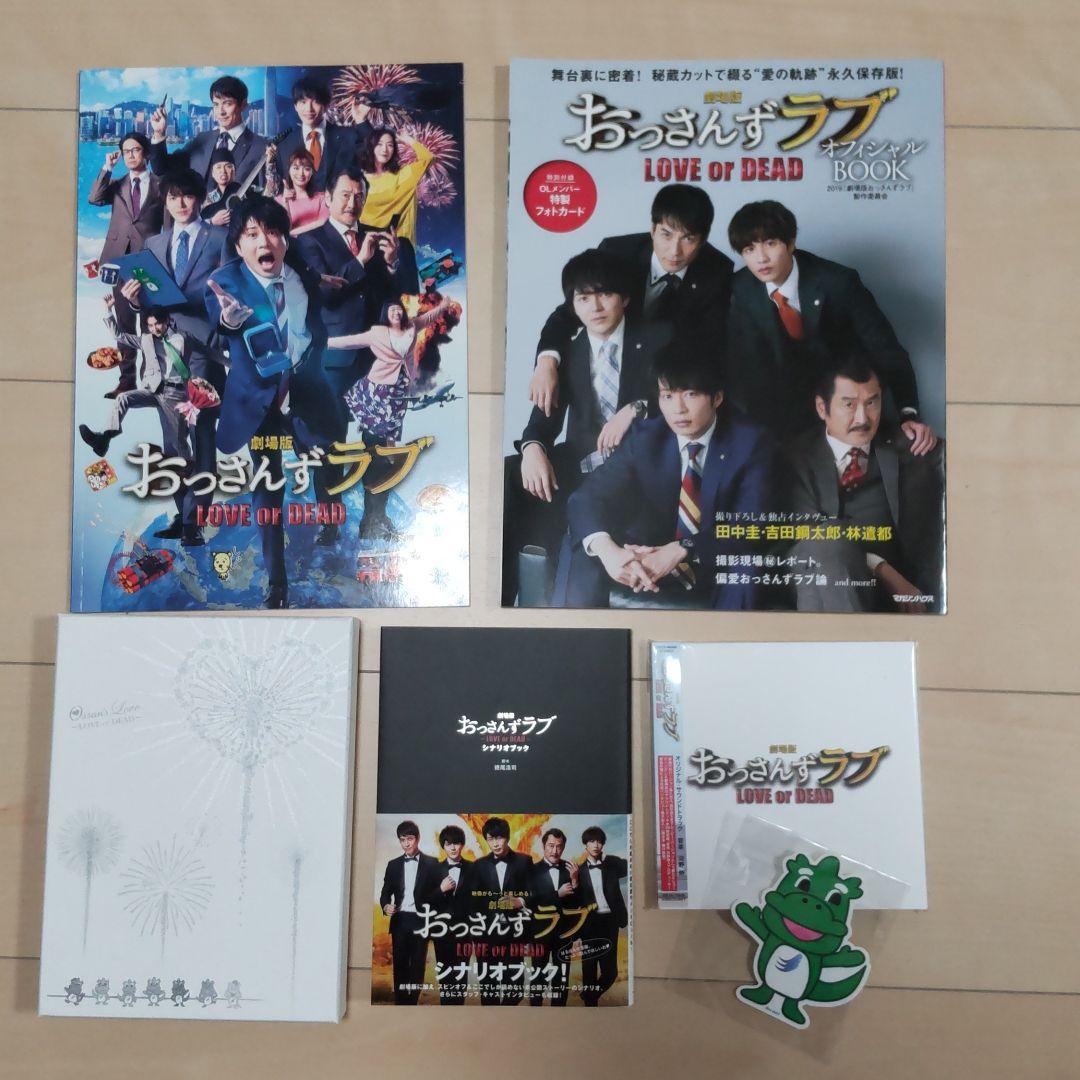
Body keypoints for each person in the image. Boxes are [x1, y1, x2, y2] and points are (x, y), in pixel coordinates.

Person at [503, 248, 670, 605]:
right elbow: (543, 420)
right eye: (584, 298)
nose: (595, 307)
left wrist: (636, 408)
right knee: (509, 474)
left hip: (635, 468)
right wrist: (532, 448)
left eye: (605, 294)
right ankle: (501, 600)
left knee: (586, 506)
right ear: (573, 306)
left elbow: (682, 401)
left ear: (625, 298)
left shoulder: (658, 340)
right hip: (582, 462)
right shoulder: (568, 352)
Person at [558, 345, 778, 610]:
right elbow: (585, 498)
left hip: (710, 562)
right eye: (668, 396)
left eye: (691, 394)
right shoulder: (646, 437)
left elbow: (751, 522)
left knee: (747, 567)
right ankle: (580, 634)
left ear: (717, 398)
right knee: (587, 546)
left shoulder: (751, 443)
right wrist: (610, 552)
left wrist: (682, 548)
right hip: (645, 559)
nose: (678, 409)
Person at [726, 199, 938, 454]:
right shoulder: (740, 289)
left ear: (791, 243)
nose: (761, 258)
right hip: (781, 413)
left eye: (770, 243)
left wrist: (908, 413)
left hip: (845, 403)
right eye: (749, 249)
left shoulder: (838, 282)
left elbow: (886, 350)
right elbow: (742, 369)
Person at [204, 194, 326, 608]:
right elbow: (219, 318)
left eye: (272, 232)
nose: (264, 242)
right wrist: (229, 320)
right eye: (252, 234)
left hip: (303, 395)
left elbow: (315, 327)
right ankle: (278, 584)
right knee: (268, 489)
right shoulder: (225, 283)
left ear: (285, 240)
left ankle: (332, 529)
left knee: (328, 465)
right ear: (239, 245)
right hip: (259, 405)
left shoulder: (300, 275)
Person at [528, 184, 732, 417]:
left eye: (688, 238)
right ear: (652, 229)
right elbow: (567, 314)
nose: (675, 251)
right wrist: (546, 362)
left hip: (664, 381)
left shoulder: (716, 271)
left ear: (703, 240)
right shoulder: (618, 252)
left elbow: (704, 348)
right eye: (666, 234)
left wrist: (643, 404)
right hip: (609, 364)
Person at [294, 164, 419, 542]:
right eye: (345, 195)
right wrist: (360, 261)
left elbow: (400, 298)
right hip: (332, 360)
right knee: (327, 443)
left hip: (377, 362)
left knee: (380, 442)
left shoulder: (379, 238)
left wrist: (393, 264)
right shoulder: (307, 242)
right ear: (327, 198)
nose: (352, 202)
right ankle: (329, 522)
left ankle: (375, 518)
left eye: (359, 196)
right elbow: (322, 296)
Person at [786, 355, 945, 613]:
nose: (863, 418)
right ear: (822, 408)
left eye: (872, 403)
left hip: (893, 595)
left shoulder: (910, 446)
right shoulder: (797, 457)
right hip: (822, 580)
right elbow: (807, 534)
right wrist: (884, 570)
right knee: (826, 543)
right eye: (849, 405)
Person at [143, 168, 230, 546]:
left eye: (187, 195)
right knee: (172, 439)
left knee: (201, 432)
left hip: (204, 349)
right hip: (166, 352)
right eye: (173, 196)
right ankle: (183, 515)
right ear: (165, 201)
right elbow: (150, 302)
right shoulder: (153, 243)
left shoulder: (220, 238)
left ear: (200, 198)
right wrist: (136, 300)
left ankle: (196, 520)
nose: (180, 203)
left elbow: (228, 292)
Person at [79, 299, 211, 535]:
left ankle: (187, 518)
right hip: (154, 391)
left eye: (157, 324)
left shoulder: (183, 338)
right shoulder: (147, 340)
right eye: (150, 325)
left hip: (176, 394)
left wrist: (236, 365)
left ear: (167, 321)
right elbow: (119, 335)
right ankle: (104, 438)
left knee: (175, 453)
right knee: (124, 398)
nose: (154, 329)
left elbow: (210, 352)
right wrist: (108, 311)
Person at [88, 131, 164, 397]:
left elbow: (168, 225)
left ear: (146, 153)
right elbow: (94, 198)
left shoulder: (160, 185)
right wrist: (107, 167)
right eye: (126, 151)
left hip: (149, 261)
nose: (131, 155)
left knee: (149, 322)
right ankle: (127, 379)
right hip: (118, 262)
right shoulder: (117, 184)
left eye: (136, 150)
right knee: (124, 322)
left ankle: (152, 378)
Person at [327, 294, 451, 442]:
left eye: (399, 309)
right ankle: (371, 444)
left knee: (394, 419)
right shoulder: (377, 333)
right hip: (379, 384)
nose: (396, 313)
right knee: (377, 420)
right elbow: (350, 341)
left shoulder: (412, 326)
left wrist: (443, 306)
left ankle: (387, 448)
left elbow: (429, 317)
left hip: (401, 384)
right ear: (385, 314)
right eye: (392, 310)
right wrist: (324, 342)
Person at [149, 75, 271, 187]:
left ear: (243, 105)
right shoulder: (202, 139)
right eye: (216, 104)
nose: (221, 112)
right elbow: (162, 169)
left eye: (227, 104)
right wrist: (159, 133)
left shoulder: (261, 147)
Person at [468, 817, 532, 1005]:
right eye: (491, 839)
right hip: (486, 936)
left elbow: (535, 892)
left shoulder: (524, 861)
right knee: (488, 991)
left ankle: (505, 1017)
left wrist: (520, 901)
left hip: (514, 935)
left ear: (507, 837)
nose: (495, 843)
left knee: (515, 989)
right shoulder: (478, 865)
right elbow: (473, 902)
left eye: (499, 838)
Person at [378, 820, 441, 1006]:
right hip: (400, 920)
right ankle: (401, 1003)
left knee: (418, 966)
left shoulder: (432, 863)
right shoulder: (393, 865)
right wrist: (385, 906)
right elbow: (385, 893)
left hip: (421, 920)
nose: (406, 843)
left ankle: (411, 1002)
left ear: (417, 839)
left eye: (410, 839)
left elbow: (437, 895)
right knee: (400, 965)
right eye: (402, 840)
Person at [273, 75, 369, 194]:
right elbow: (281, 187)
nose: (309, 109)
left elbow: (371, 155)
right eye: (303, 102)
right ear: (295, 106)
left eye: (316, 102)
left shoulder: (347, 136)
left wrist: (361, 120)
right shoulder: (284, 146)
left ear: (326, 105)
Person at [574, 827, 628, 1006]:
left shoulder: (611, 866)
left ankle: (589, 996)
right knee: (589, 970)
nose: (596, 845)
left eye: (599, 841)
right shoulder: (579, 872)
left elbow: (629, 866)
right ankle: (590, 1007)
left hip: (610, 922)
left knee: (610, 972)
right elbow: (575, 901)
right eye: (592, 841)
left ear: (603, 844)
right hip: (589, 924)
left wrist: (609, 859)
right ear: (585, 845)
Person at [526, 828, 579, 1007]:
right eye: (550, 845)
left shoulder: (571, 869)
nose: (555, 850)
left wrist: (575, 881)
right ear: (543, 846)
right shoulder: (532, 870)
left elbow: (577, 905)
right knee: (538, 977)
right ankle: (534, 1015)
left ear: (563, 847)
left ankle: (559, 1015)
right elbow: (531, 901)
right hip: (540, 934)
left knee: (561, 978)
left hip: (564, 935)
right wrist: (557, 894)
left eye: (559, 846)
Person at [358, 127, 434, 247]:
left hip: (393, 243)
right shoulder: (358, 178)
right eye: (379, 144)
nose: (385, 149)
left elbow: (428, 158)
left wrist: (407, 139)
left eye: (390, 145)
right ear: (371, 146)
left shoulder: (403, 176)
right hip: (363, 241)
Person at [431, 825, 472, 1006]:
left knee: (461, 977)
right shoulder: (434, 870)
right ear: (443, 846)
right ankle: (445, 1013)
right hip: (442, 933)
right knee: (445, 977)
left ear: (462, 844)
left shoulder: (473, 868)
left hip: (465, 932)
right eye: (448, 844)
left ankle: (458, 1012)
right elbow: (425, 899)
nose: (453, 848)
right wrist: (441, 889)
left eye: (456, 843)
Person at [275, 148, 330, 235]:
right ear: (289, 170)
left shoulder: (321, 198)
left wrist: (292, 232)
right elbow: (283, 231)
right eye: (296, 168)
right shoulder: (278, 200)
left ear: (312, 172)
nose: (301, 173)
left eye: (307, 169)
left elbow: (324, 223)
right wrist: (285, 202)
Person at [200, 147, 239, 225]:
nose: (223, 171)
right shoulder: (206, 199)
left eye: (228, 166)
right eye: (218, 167)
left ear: (234, 171)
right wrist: (212, 221)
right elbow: (196, 224)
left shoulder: (247, 190)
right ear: (213, 173)